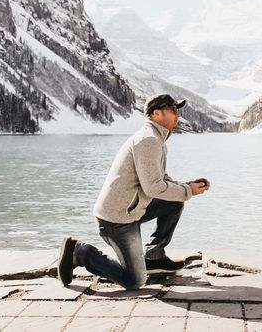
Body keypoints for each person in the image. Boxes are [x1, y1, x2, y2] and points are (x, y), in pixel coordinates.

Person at [57, 94, 210, 289]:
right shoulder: (149, 141)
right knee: (135, 280)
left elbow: (160, 178)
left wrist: (185, 186)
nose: (177, 115)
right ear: (156, 113)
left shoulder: (154, 137)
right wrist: (188, 190)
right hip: (117, 219)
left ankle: (154, 257)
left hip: (130, 209)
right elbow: (153, 187)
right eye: (173, 110)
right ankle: (80, 253)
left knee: (175, 200)